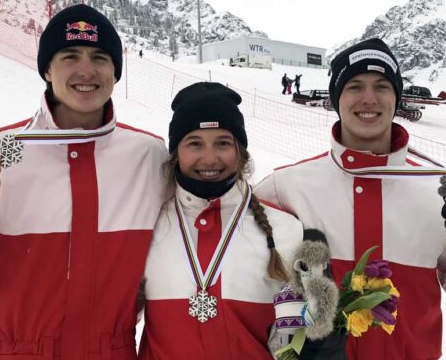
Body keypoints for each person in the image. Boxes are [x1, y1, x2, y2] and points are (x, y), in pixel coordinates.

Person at [0, 4, 167, 360]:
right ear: (47, 69)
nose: (86, 70)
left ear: (115, 71)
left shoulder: (148, 155)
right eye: (69, 56)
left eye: (100, 57)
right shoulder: (0, 152)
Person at [255, 38, 446, 360]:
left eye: (382, 86)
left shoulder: (438, 192)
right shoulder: (285, 188)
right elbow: (252, 293)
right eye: (354, 86)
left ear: (397, 98)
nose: (369, 98)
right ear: (336, 99)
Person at [137, 82, 346, 360]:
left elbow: (323, 344)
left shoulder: (289, 233)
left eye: (223, 143)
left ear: (241, 152)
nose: (209, 158)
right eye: (194, 143)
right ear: (176, 153)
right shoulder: (146, 227)